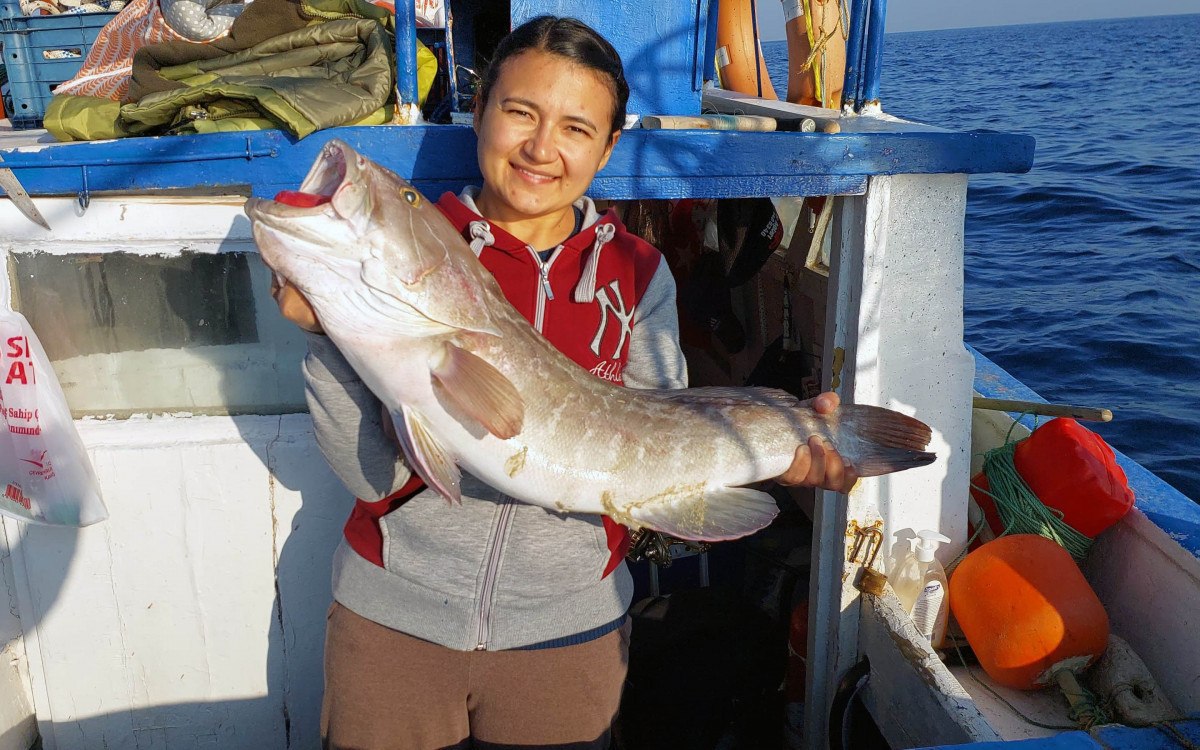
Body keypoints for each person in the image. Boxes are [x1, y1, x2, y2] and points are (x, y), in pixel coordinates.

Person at [270, 15, 857, 750]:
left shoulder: (639, 275)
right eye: (520, 112)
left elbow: (661, 453)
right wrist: (326, 335)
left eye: (577, 127)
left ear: (609, 146)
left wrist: (780, 447)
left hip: (569, 636)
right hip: (394, 623)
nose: (542, 148)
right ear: (479, 111)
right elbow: (369, 476)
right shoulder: (429, 264)